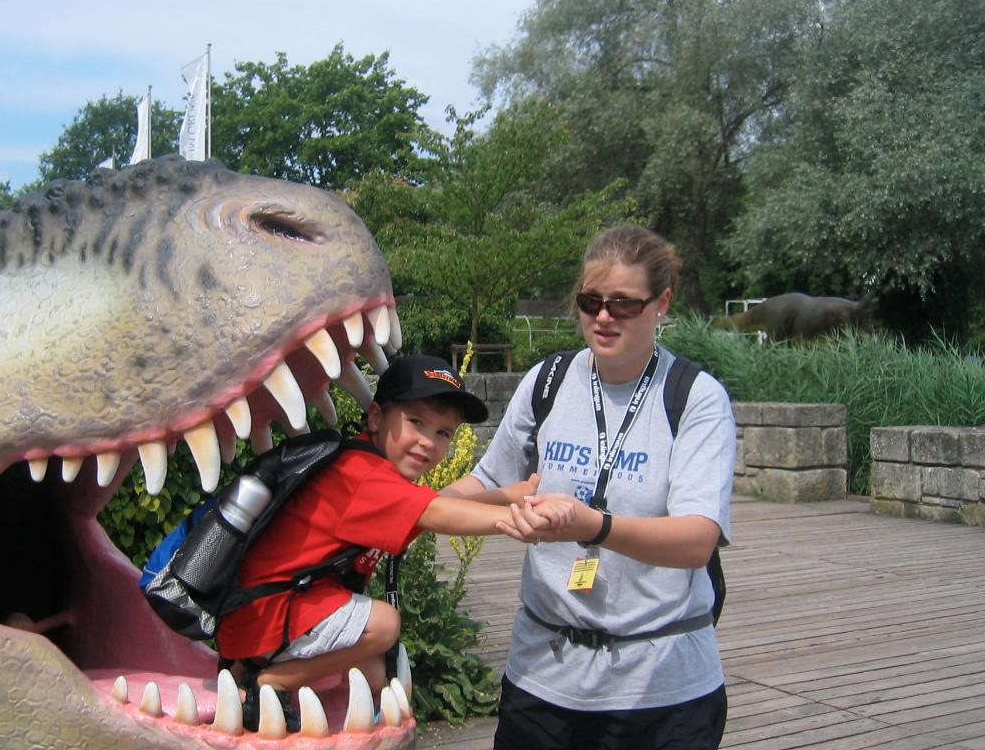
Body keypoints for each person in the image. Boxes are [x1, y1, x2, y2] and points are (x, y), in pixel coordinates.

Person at [444, 225, 736, 750]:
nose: (603, 317)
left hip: (662, 690)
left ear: (661, 303)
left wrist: (593, 527)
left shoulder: (694, 397)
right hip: (543, 681)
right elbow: (490, 480)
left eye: (624, 304)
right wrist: (415, 508)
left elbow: (697, 541)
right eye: (590, 301)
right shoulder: (548, 382)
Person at [219, 354, 572, 729]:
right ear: (375, 417)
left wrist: (509, 496)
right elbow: (438, 514)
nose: (427, 443)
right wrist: (522, 520)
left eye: (442, 433)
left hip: (271, 613)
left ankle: (265, 674)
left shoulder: (371, 470)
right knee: (385, 625)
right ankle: (266, 683)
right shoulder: (363, 477)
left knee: (375, 671)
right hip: (266, 617)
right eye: (416, 422)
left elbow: (434, 507)